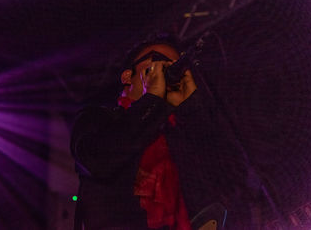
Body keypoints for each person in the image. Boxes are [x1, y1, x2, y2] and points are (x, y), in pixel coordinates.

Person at [70, 33, 250, 230]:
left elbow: (233, 181)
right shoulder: (97, 118)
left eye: (172, 65)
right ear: (127, 76)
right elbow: (99, 162)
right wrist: (152, 99)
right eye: (158, 60)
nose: (166, 69)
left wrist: (191, 109)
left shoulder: (179, 133)